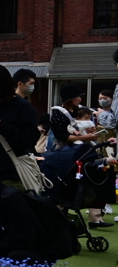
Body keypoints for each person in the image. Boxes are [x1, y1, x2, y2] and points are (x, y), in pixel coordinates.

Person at [50, 83, 113, 228]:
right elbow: (62, 135)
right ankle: (67, 215)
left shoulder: (80, 111)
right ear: (70, 98)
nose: (79, 99)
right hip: (68, 153)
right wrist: (86, 138)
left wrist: (90, 132)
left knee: (98, 177)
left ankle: (96, 216)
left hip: (84, 151)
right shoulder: (59, 112)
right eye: (77, 96)